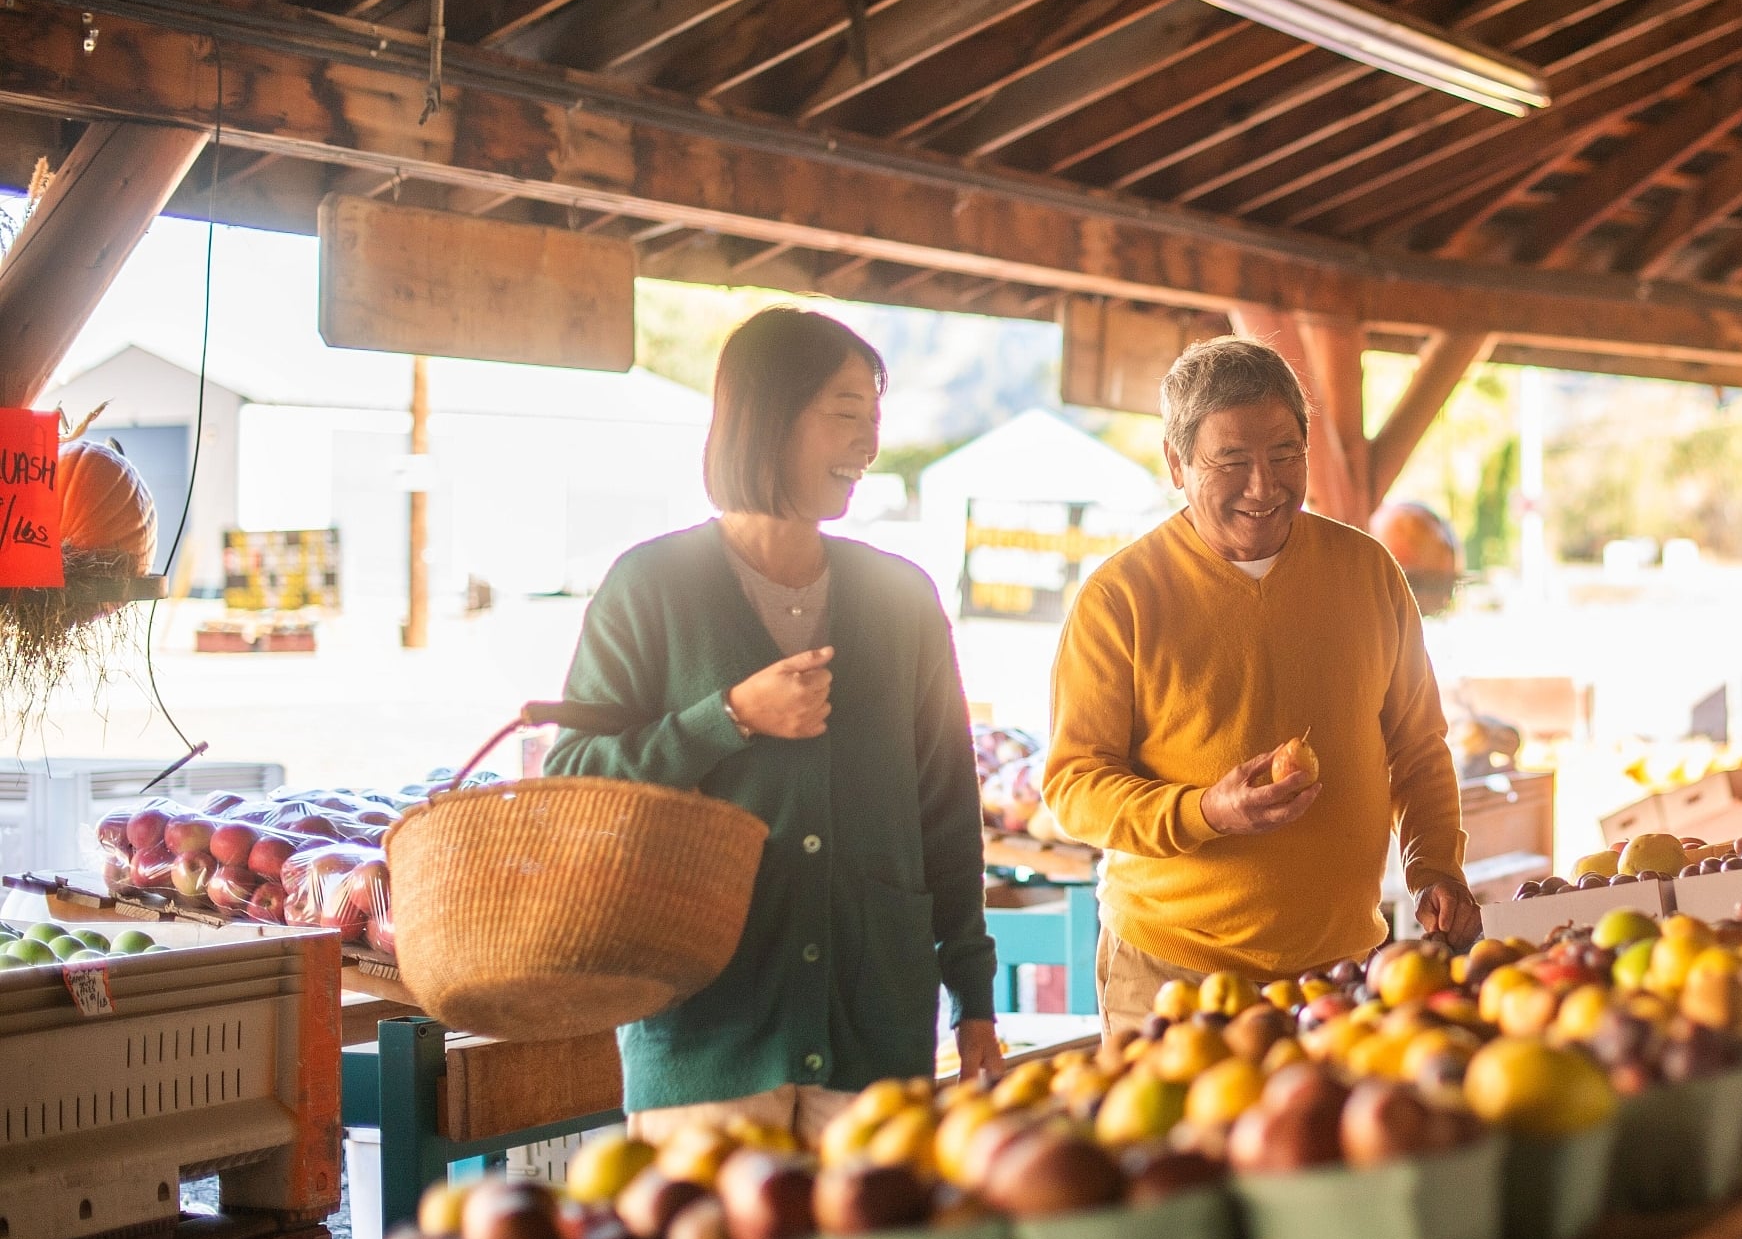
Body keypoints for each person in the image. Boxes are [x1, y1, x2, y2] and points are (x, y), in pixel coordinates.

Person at [548, 307, 1000, 1145]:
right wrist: (726, 718)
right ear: (767, 414)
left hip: (878, 1036)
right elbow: (572, 776)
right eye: (845, 413)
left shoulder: (903, 598)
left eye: (873, 418)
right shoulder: (650, 585)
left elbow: (948, 806)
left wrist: (973, 994)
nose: (867, 444)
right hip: (705, 1035)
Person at [1044, 335, 1478, 1032]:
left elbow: (1419, 749)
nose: (1264, 485)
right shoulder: (1119, 598)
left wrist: (1434, 866)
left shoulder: (1367, 573)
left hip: (1343, 971)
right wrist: (1206, 811)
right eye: (1232, 460)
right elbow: (1074, 788)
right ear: (1176, 463)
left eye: (1284, 454)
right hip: (1172, 972)